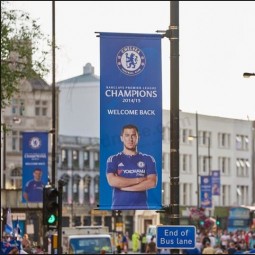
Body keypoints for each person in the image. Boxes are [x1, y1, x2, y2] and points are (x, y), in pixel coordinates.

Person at [106, 124, 158, 209]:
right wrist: (139, 180)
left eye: (133, 135)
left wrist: (125, 187)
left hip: (141, 208)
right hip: (118, 208)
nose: (130, 139)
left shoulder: (148, 159)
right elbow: (113, 181)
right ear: (121, 138)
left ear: (138, 138)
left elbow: (152, 182)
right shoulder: (113, 159)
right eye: (127, 135)